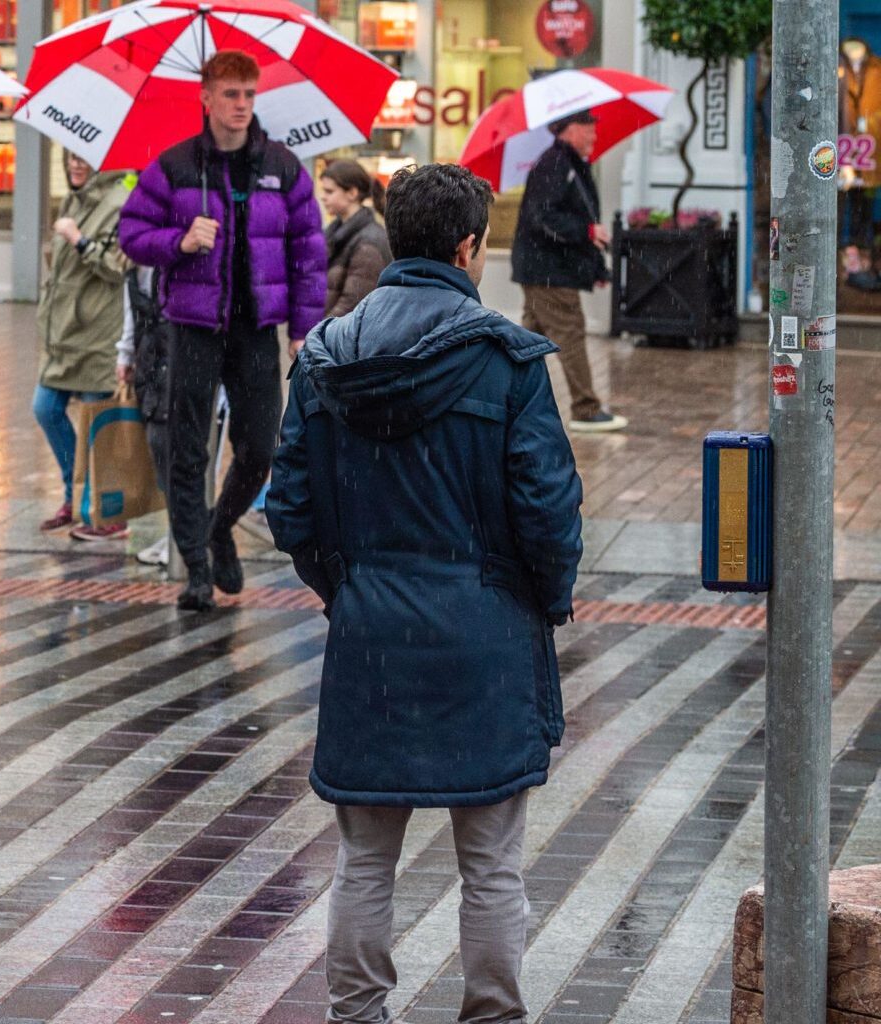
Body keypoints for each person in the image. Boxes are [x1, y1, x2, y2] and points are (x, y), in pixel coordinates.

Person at [266, 162, 583, 1024]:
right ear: (467, 247)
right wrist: (539, 599)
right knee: (492, 864)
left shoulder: (324, 359)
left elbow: (288, 507)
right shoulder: (507, 363)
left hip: (370, 636)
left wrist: (346, 586)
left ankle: (357, 1013)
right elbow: (549, 511)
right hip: (486, 637)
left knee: (365, 860)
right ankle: (492, 1014)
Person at [118, 50, 327, 611]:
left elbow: (308, 253)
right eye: (230, 94)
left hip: (256, 330)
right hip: (193, 327)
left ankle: (218, 528)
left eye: (249, 94)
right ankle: (196, 568)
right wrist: (179, 241)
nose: (241, 105)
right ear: (206, 98)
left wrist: (303, 328)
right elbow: (131, 233)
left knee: (259, 447)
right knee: (186, 449)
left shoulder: (281, 167)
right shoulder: (176, 166)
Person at [35, 151, 133, 543]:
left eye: (86, 157)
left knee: (97, 426)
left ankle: (106, 513)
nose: (76, 164)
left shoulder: (121, 202)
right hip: (63, 332)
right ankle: (74, 498)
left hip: (98, 332)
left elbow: (118, 268)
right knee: (45, 409)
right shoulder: (73, 199)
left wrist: (79, 240)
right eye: (71, 156)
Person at [511, 110, 627, 433]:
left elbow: (572, 216)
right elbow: (544, 218)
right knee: (570, 333)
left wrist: (594, 264)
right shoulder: (554, 164)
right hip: (548, 271)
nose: (594, 138)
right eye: (589, 131)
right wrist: (587, 232)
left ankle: (503, 400)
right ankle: (585, 409)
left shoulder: (569, 164)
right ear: (572, 130)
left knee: (527, 341)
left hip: (546, 269)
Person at [117, 265, 172, 567]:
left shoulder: (172, 257)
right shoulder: (133, 265)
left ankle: (189, 537)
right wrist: (125, 354)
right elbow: (132, 312)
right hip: (149, 362)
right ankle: (179, 533)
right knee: (159, 447)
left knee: (184, 454)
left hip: (179, 360)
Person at [318, 159, 392, 320]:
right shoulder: (335, 233)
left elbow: (352, 305)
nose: (323, 197)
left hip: (340, 333)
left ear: (352, 193)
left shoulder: (368, 242)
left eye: (329, 191)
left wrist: (321, 330)